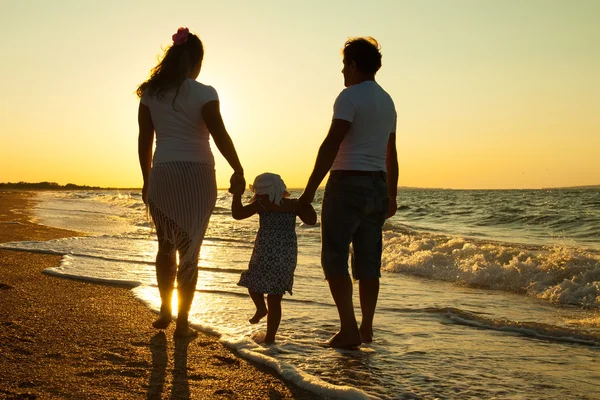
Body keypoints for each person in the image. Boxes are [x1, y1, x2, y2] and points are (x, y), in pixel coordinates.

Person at [137, 27, 246, 337]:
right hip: (199, 174)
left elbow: (145, 141)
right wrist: (237, 167)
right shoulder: (206, 93)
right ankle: (183, 323)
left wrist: (147, 180)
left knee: (165, 245)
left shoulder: (150, 94)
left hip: (164, 172)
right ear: (196, 61)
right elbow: (220, 134)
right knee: (191, 249)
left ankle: (165, 309)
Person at [299, 37, 398, 349]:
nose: (342, 71)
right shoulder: (388, 101)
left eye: (344, 64)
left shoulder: (349, 96)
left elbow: (331, 144)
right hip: (377, 185)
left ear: (354, 65)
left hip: (347, 183)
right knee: (369, 263)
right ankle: (366, 328)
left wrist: (308, 193)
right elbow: (391, 153)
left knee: (335, 257)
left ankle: (348, 329)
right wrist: (391, 194)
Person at [231, 173, 317, 344]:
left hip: (265, 251)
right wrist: (305, 203)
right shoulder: (293, 205)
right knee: (275, 298)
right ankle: (270, 338)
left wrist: (237, 194)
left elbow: (238, 214)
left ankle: (261, 308)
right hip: (286, 255)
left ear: (261, 192)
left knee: (252, 281)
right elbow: (312, 221)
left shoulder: (262, 204)